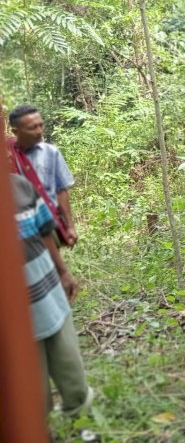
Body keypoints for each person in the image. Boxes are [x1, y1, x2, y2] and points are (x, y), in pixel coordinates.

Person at [10, 172, 94, 417]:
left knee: (69, 363)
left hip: (48, 293)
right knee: (29, 380)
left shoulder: (20, 186)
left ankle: (81, 416)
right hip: (14, 312)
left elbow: (45, 231)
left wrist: (64, 272)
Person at [9, 104, 78, 247]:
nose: (39, 131)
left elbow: (60, 191)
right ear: (16, 131)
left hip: (49, 226)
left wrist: (70, 226)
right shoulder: (8, 156)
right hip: (18, 231)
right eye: (32, 128)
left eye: (41, 125)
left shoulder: (51, 153)